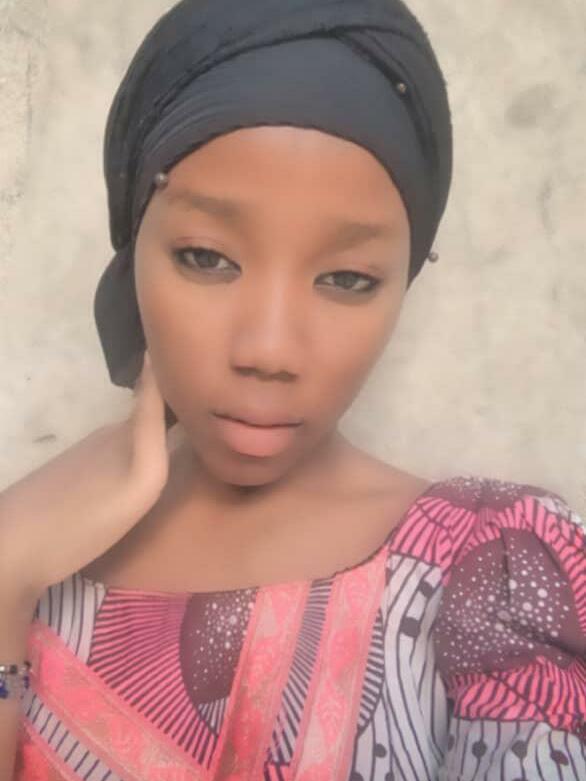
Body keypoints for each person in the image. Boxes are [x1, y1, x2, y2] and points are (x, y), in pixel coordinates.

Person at [0, 0, 584, 779]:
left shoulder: (496, 566)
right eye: (206, 257)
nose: (270, 350)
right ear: (133, 250)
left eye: (347, 278)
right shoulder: (41, 553)